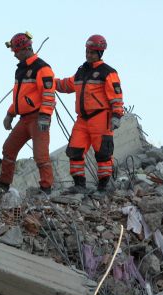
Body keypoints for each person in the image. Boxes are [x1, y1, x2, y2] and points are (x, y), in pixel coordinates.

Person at [55, 34, 124, 193]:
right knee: (74, 151)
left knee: (103, 154)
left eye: (92, 52)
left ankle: (103, 187)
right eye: (87, 51)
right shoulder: (81, 71)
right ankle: (79, 185)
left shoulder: (108, 72)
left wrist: (117, 115)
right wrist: (51, 82)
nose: (88, 54)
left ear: (100, 53)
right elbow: (67, 85)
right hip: (82, 120)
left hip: (101, 118)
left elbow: (116, 95)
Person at [0, 32, 56, 194]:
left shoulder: (42, 68)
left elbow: (48, 94)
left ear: (26, 48)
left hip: (38, 118)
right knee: (8, 148)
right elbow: (19, 97)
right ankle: (4, 182)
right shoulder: (21, 70)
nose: (14, 55)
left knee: (40, 155)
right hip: (24, 119)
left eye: (16, 51)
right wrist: (10, 114)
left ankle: (46, 187)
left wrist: (45, 116)